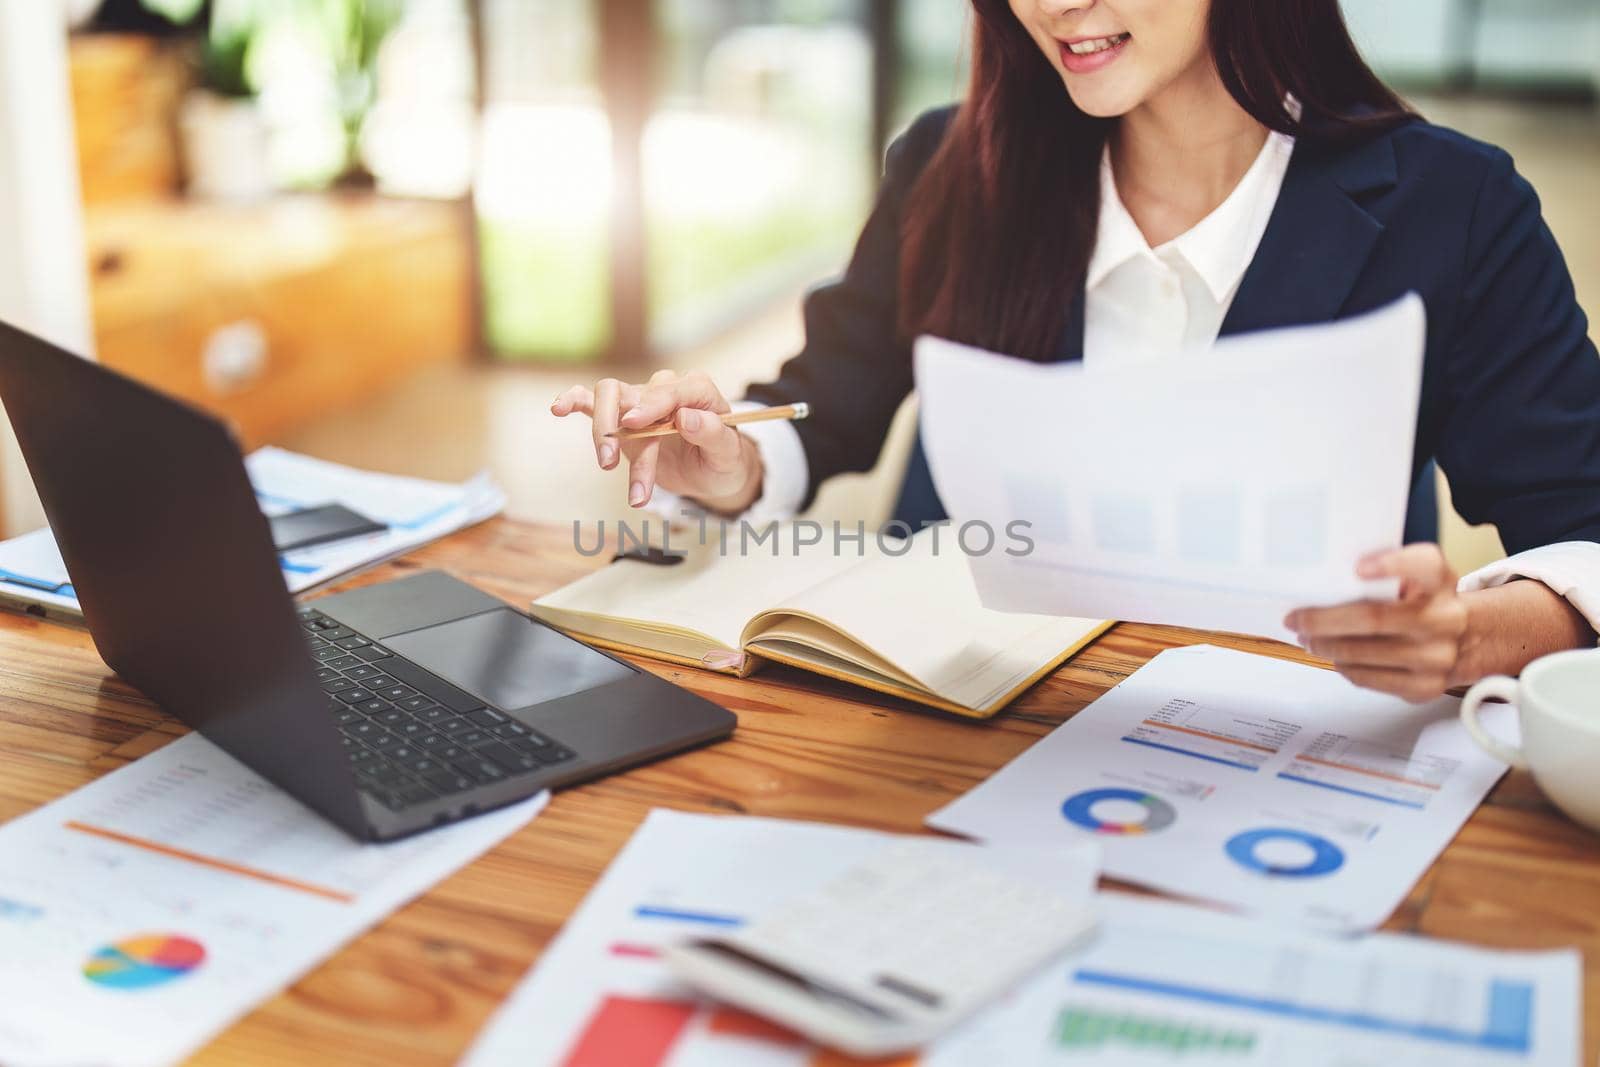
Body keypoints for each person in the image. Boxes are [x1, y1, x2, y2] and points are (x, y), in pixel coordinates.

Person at [553, 0, 1600, 702]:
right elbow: (823, 409)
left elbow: (1584, 534)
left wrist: (1466, 635)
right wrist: (727, 460)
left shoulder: (1453, 208)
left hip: (1280, 751)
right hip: (950, 730)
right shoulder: (949, 164)